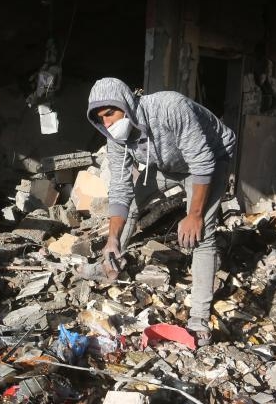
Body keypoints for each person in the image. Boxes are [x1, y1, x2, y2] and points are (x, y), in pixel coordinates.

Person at [86, 77, 236, 346]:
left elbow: (202, 163)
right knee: (130, 205)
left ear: (127, 105)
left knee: (202, 236)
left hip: (211, 159)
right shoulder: (115, 139)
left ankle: (198, 321)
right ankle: (110, 263)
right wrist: (112, 239)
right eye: (101, 118)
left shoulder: (170, 108)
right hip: (169, 163)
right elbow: (121, 190)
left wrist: (194, 216)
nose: (108, 123)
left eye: (111, 113)